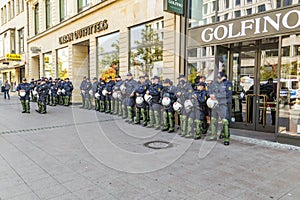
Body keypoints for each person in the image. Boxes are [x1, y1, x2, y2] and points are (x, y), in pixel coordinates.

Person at [207, 72, 232, 145]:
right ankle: (213, 135)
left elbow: (227, 94)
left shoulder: (228, 84)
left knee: (224, 121)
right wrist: (210, 94)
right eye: (217, 78)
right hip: (215, 104)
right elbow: (210, 90)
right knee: (214, 119)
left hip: (223, 104)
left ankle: (226, 138)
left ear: (223, 77)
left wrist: (216, 96)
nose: (218, 79)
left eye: (219, 78)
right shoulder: (215, 83)